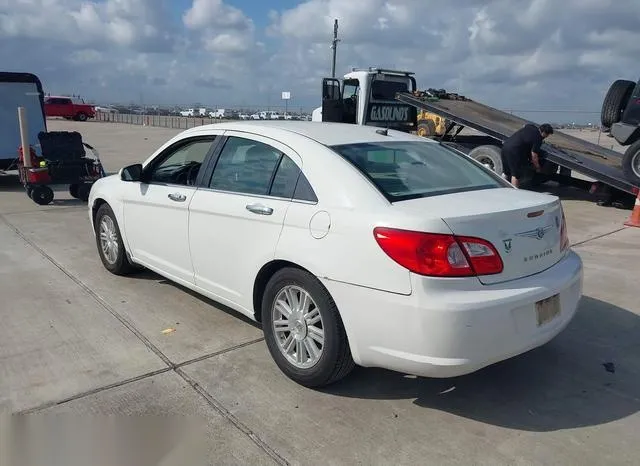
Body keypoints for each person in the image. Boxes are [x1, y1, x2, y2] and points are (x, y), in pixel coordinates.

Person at [501, 123, 554, 188]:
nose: (546, 137)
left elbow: (524, 125)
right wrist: (537, 167)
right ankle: (515, 192)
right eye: (547, 135)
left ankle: (501, 187)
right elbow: (534, 154)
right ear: (544, 132)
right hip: (514, 151)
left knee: (506, 172)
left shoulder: (531, 127)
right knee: (515, 174)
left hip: (505, 147)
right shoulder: (538, 138)